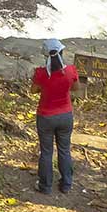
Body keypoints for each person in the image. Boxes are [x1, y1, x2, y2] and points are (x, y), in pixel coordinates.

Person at [30, 38, 79, 195]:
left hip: (45, 116)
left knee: (46, 152)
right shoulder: (71, 71)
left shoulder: (41, 73)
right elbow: (75, 88)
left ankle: (45, 186)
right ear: (62, 53)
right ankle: (66, 184)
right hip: (65, 115)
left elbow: (33, 91)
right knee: (64, 150)